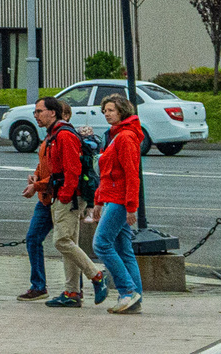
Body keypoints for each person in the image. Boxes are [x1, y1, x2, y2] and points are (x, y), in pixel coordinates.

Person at [19, 97, 99, 307]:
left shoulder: (63, 135)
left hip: (63, 197)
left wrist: (63, 196)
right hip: (51, 196)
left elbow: (72, 171)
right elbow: (47, 165)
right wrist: (37, 179)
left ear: (54, 113)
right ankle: (71, 293)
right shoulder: (50, 137)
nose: (35, 115)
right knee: (59, 242)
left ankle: (96, 277)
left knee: (62, 242)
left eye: (39, 111)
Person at [90, 94, 144, 313]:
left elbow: (132, 174)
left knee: (101, 244)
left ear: (122, 111)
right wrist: (98, 201)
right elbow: (106, 173)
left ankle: (127, 292)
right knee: (124, 250)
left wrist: (131, 207)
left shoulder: (125, 137)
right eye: (104, 111)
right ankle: (134, 299)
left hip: (119, 200)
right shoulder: (116, 136)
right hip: (113, 198)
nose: (106, 114)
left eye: (110, 110)